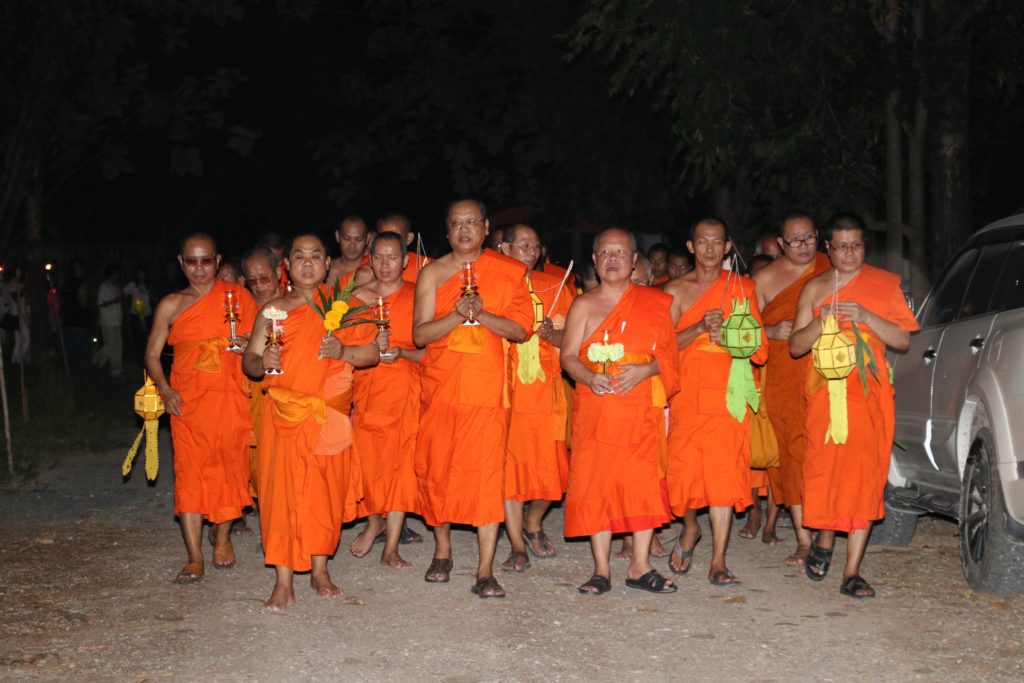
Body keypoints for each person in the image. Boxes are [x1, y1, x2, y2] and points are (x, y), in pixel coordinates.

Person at [242, 234, 383, 610]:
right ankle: (283, 580)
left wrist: (344, 350)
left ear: (326, 263)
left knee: (325, 493)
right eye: (299, 257)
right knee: (280, 496)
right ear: (287, 264)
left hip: (328, 417)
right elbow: (249, 361)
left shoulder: (345, 306)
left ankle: (320, 570)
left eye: (315, 256)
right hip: (283, 417)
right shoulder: (274, 311)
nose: (307, 263)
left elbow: (371, 354)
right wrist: (262, 362)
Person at [789, 213, 918, 599]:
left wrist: (866, 316)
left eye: (857, 244)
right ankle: (825, 537)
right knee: (826, 470)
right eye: (842, 245)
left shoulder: (883, 284)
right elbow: (796, 346)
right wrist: (820, 321)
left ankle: (853, 572)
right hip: (826, 396)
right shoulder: (814, 289)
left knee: (864, 475)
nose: (850, 252)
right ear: (828, 248)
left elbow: (903, 341)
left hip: (869, 395)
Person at [412, 199, 534, 599]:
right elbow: (420, 336)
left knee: (485, 478)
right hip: (442, 391)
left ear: (485, 228)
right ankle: (443, 550)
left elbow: (519, 331)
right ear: (446, 231)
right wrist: (455, 316)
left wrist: (480, 315)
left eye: (471, 222)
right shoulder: (432, 274)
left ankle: (484, 570)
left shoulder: (510, 272)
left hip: (486, 394)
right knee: (439, 469)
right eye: (455, 223)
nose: (464, 229)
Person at [560, 227, 680, 595]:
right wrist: (589, 376)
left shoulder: (656, 303)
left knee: (641, 485)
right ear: (595, 261)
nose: (612, 259)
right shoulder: (583, 304)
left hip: (638, 410)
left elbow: (670, 360)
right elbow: (567, 356)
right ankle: (601, 569)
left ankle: (640, 565)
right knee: (596, 484)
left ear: (633, 261)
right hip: (596, 410)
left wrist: (645, 370)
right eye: (605, 253)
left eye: (620, 253)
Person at [144, 234, 256, 583]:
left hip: (229, 399)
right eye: (191, 262)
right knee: (190, 476)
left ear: (217, 261)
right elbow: (151, 354)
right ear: (181, 263)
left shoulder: (237, 298)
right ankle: (194, 556)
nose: (199, 269)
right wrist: (165, 389)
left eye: (206, 261)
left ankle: (221, 538)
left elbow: (262, 342)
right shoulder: (172, 304)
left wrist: (246, 346)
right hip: (188, 403)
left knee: (229, 470)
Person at [663, 218, 767, 585]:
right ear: (691, 246)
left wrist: (735, 337)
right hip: (687, 396)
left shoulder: (743, 287)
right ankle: (690, 528)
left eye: (717, 242)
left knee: (724, 478)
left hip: (728, 397)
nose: (709, 248)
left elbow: (759, 349)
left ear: (727, 247)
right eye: (702, 242)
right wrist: (697, 329)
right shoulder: (673, 290)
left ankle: (719, 561)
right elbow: (662, 348)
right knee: (684, 475)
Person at [752, 211, 831, 563]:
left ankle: (827, 527)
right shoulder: (764, 279)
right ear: (782, 243)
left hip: (828, 372)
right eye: (794, 240)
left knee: (824, 451)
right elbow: (742, 330)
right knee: (792, 454)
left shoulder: (834, 268)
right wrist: (769, 331)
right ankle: (803, 537)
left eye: (809, 238)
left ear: (818, 236)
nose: (802, 246)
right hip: (785, 375)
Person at [344, 232, 425, 568]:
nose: (386, 264)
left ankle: (391, 545)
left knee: (401, 468)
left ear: (406, 261)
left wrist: (401, 352)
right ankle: (373, 520)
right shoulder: (355, 300)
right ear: (369, 258)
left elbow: (430, 352)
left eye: (393, 257)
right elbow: (342, 353)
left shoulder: (417, 297)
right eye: (379, 257)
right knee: (369, 463)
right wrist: (371, 353)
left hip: (407, 390)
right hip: (368, 392)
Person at [498, 223, 574, 572]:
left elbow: (574, 344)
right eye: (522, 245)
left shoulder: (557, 288)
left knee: (552, 474)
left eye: (534, 246)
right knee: (510, 473)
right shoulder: (494, 287)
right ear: (504, 249)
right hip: (508, 391)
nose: (530, 252)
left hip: (546, 394)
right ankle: (516, 543)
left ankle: (533, 522)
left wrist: (553, 336)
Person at [233, 246, 285, 536]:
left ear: (278, 273)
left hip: (282, 392)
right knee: (254, 461)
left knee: (276, 463)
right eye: (252, 280)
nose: (260, 286)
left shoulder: (292, 304)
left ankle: (277, 527)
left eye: (264, 278)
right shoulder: (242, 307)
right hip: (247, 390)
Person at [378, 213, 430, 283]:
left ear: (409, 238)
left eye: (395, 237)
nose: (388, 243)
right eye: (383, 237)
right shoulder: (370, 267)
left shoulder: (426, 266)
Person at [93, 265, 123, 377]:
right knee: (110, 344)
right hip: (107, 321)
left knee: (118, 345)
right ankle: (96, 360)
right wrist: (113, 301)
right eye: (116, 273)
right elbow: (100, 304)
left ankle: (116, 369)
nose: (118, 276)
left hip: (117, 320)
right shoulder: (103, 287)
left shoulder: (116, 287)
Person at [326, 216, 373, 287]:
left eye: (359, 239)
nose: (352, 245)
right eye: (346, 238)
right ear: (337, 236)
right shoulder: (326, 270)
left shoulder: (375, 272)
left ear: (367, 238)